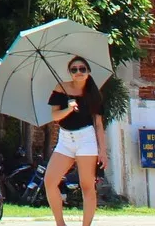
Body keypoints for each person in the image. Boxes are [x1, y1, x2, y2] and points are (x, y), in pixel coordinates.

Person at [45, 56, 106, 226]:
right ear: (70, 73)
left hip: (86, 138)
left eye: (82, 69)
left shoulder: (94, 94)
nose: (78, 72)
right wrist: (69, 108)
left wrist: (103, 151)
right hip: (65, 139)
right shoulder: (60, 88)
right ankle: (60, 223)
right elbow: (55, 116)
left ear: (88, 72)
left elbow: (99, 125)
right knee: (50, 181)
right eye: (74, 69)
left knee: (87, 185)